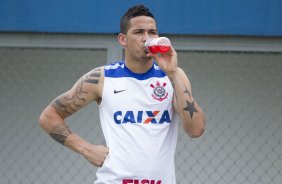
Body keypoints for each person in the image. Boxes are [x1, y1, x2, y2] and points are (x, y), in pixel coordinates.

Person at [38, 4, 205, 184]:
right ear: (123, 39)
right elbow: (49, 117)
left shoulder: (173, 77)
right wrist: (86, 149)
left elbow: (196, 130)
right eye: (139, 32)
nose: (146, 38)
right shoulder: (101, 78)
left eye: (152, 32)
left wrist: (172, 73)